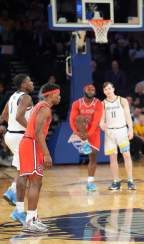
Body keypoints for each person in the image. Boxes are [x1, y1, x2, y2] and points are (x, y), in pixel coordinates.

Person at [18, 84, 61, 232]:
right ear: (50, 95)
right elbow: (38, 132)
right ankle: (30, 221)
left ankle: (34, 217)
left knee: (38, 183)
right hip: (32, 145)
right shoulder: (45, 109)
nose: (59, 97)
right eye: (57, 94)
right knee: (35, 183)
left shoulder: (40, 106)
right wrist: (47, 153)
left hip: (31, 144)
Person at [1, 74, 33, 214]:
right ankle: (17, 206)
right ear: (23, 84)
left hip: (10, 135)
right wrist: (31, 130)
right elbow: (20, 116)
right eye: (29, 81)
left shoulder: (13, 96)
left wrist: (11, 126)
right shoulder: (26, 97)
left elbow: (4, 116)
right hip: (20, 136)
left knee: (21, 168)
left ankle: (12, 192)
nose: (32, 83)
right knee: (25, 170)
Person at [99, 82, 136, 191]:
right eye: (105, 89)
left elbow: (128, 116)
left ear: (113, 89)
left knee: (126, 155)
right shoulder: (103, 103)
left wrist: (131, 129)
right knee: (113, 157)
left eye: (109, 88)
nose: (108, 91)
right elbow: (101, 120)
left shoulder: (122, 100)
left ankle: (130, 181)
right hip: (110, 133)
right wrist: (102, 126)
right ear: (104, 91)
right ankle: (116, 181)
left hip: (122, 131)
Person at [69, 84, 103, 192]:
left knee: (93, 158)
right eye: (89, 89)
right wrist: (76, 132)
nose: (91, 90)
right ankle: (83, 145)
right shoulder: (77, 103)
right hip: (80, 132)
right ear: (84, 90)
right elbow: (72, 119)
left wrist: (88, 134)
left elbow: (96, 121)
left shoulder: (98, 103)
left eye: (93, 89)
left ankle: (90, 182)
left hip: (93, 132)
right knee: (79, 118)